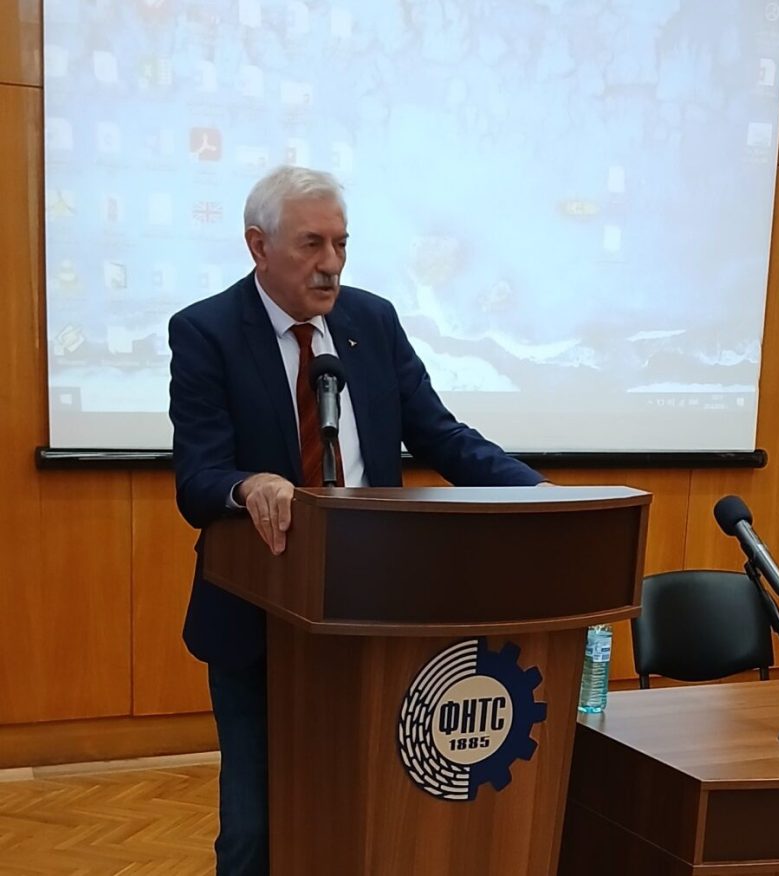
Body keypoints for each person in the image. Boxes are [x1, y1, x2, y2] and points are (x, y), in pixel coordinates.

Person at [168, 165, 544, 875]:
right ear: (259, 246)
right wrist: (249, 484)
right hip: (260, 618)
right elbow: (197, 476)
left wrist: (539, 495)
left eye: (341, 243)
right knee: (253, 830)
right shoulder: (206, 332)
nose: (332, 264)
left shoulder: (371, 321)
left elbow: (441, 436)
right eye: (312, 244)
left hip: (378, 616)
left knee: (372, 811)